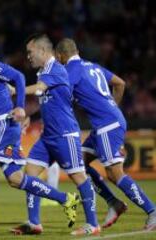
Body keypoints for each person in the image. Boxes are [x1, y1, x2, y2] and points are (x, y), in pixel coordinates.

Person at [0, 38, 79, 240]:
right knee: (15, 179)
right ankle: (65, 199)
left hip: (4, 123)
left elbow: (17, 76)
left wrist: (20, 106)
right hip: (0, 125)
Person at [55, 38, 156, 231]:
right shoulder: (92, 66)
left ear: (60, 56)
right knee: (79, 162)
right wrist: (111, 108)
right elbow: (120, 84)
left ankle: (152, 211)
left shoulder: (71, 70)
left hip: (107, 125)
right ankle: (114, 203)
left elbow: (61, 94)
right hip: (107, 122)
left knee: (115, 174)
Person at [11, 34, 99, 236]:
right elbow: (45, 99)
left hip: (65, 134)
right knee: (30, 173)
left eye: (30, 52)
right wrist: (29, 116)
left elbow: (40, 89)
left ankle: (93, 224)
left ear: (42, 51)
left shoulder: (56, 69)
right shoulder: (43, 71)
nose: (28, 56)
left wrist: (15, 90)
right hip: (47, 135)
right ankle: (34, 223)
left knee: (79, 177)